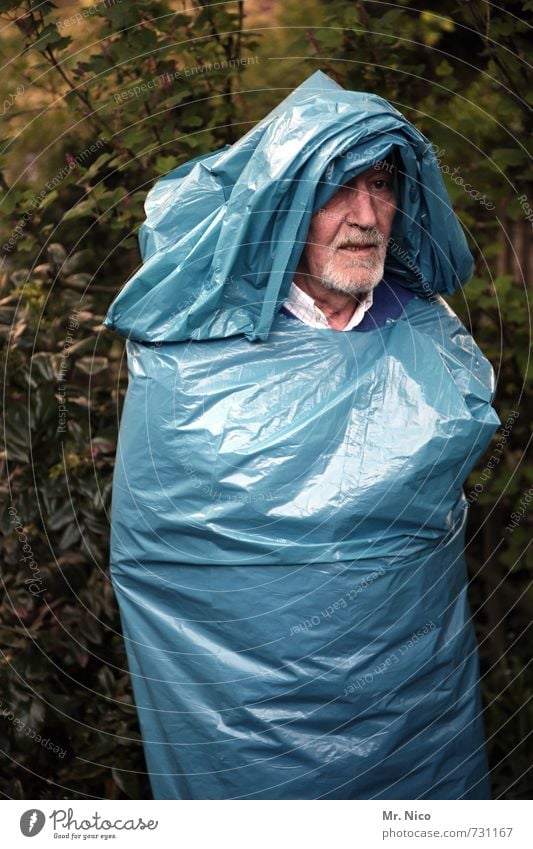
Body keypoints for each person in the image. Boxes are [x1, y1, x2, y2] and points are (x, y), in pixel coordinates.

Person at [104, 70, 500, 800]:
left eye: (381, 185)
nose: (365, 215)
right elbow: (165, 557)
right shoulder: (195, 365)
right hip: (246, 737)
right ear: (285, 205)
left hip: (423, 718)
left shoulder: (423, 331)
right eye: (335, 189)